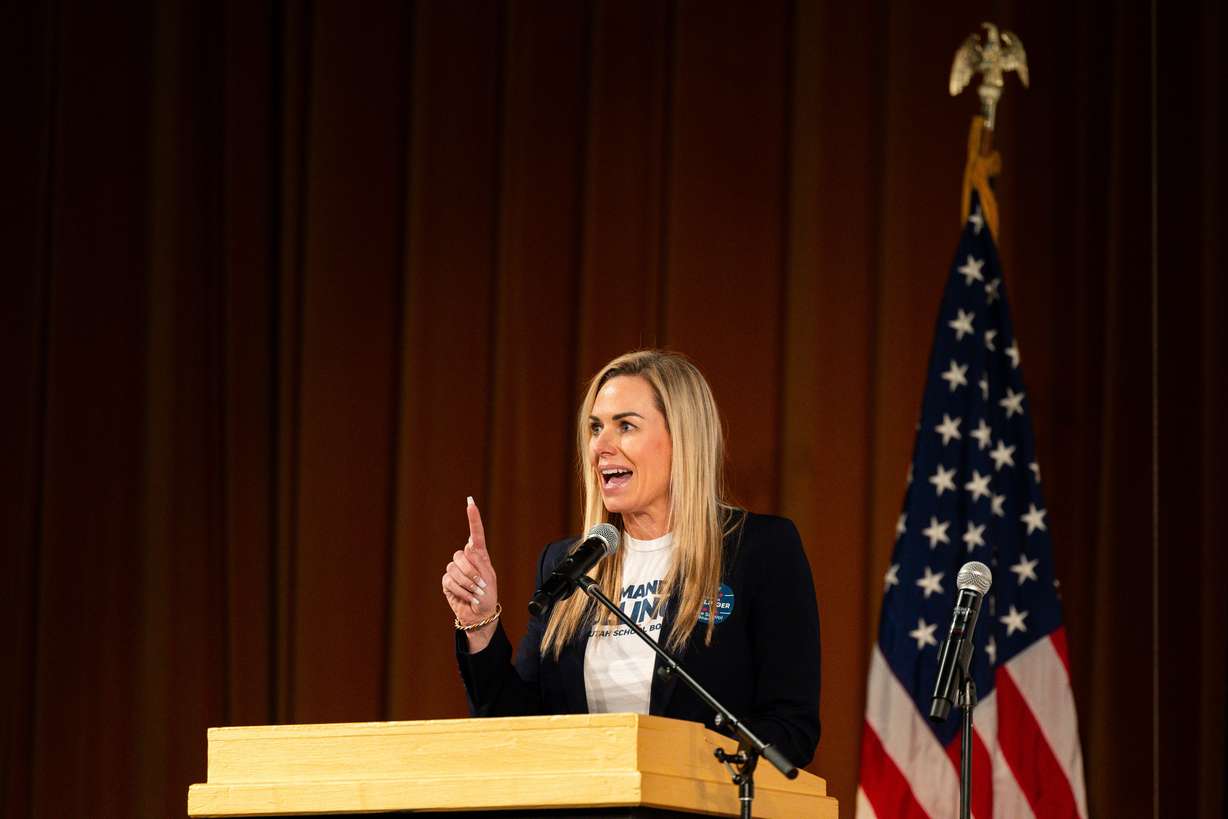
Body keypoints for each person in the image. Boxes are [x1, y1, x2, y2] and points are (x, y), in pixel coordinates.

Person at [440, 350, 822, 767]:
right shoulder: (568, 565)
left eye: (625, 426)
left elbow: (791, 727)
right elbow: (517, 730)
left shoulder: (758, 550)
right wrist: (481, 628)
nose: (601, 446)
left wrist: (683, 767)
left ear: (683, 438)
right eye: (595, 427)